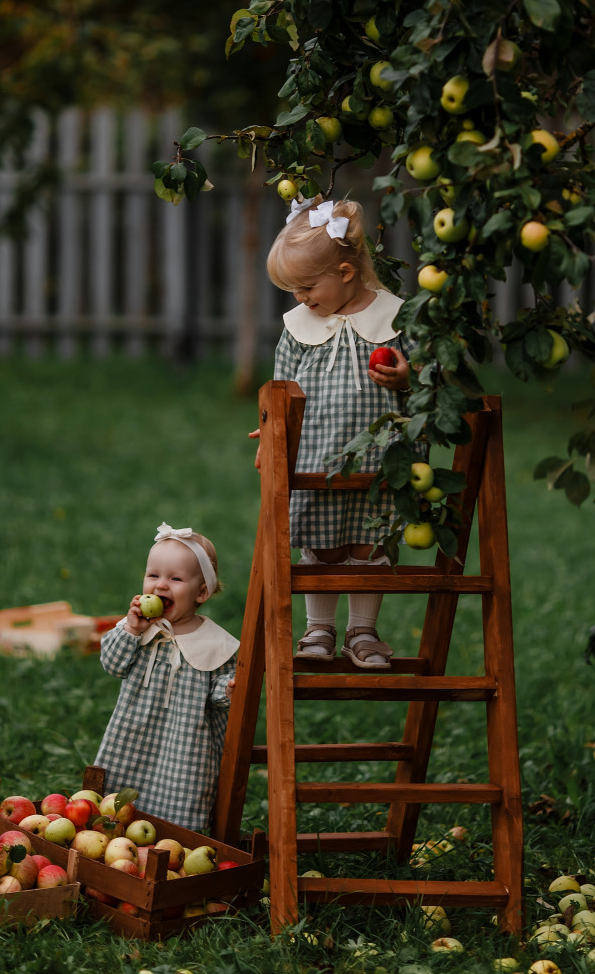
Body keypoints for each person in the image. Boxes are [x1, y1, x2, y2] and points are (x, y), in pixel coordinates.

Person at [250, 195, 414, 669]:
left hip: (381, 460)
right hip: (315, 461)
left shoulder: (395, 318)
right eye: (293, 290)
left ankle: (363, 632)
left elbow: (430, 384)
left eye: (306, 286)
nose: (300, 298)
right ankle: (317, 630)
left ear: (345, 272)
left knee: (369, 542)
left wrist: (408, 377)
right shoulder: (298, 327)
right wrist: (270, 432)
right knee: (320, 545)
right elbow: (279, 391)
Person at [94, 522, 239, 830]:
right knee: (120, 793)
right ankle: (114, 831)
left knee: (181, 796)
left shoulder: (216, 644)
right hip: (132, 735)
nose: (161, 585)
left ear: (201, 592)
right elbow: (112, 664)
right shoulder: (140, 629)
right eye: (153, 575)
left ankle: (175, 843)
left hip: (185, 745)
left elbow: (216, 698)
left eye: (175, 578)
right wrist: (132, 630)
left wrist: (227, 691)